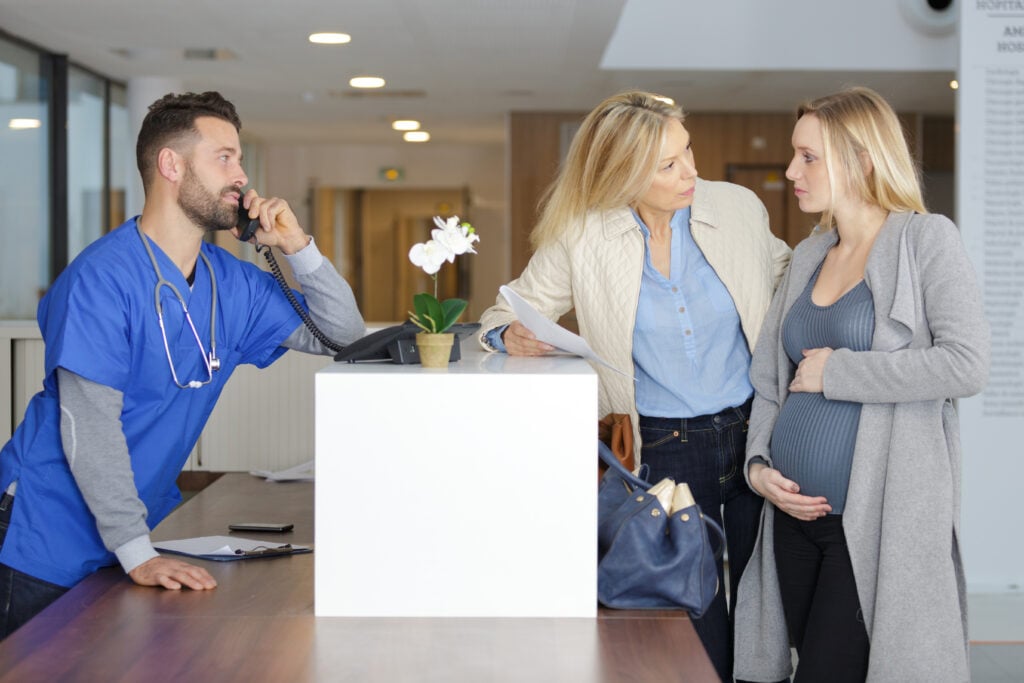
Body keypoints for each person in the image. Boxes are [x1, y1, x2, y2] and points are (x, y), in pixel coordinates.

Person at [0, 91, 366, 639]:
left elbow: (344, 335)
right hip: (44, 533)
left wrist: (297, 246)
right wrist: (136, 551)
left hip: (136, 531)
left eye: (239, 159)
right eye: (224, 158)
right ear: (171, 165)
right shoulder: (100, 279)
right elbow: (88, 425)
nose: (241, 177)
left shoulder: (234, 282)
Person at [477, 90, 791, 681]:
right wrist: (506, 338)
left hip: (754, 434)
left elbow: (789, 280)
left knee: (760, 608)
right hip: (664, 447)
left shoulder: (739, 208)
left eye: (688, 152)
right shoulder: (582, 236)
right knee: (686, 618)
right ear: (622, 174)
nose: (691, 171)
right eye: (668, 165)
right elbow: (500, 317)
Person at [733, 87, 990, 682]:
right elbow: (770, 382)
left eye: (808, 157)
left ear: (861, 160)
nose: (792, 171)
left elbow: (967, 363)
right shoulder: (808, 254)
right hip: (793, 521)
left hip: (875, 524)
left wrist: (840, 372)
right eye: (795, 156)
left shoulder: (926, 241)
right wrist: (759, 467)